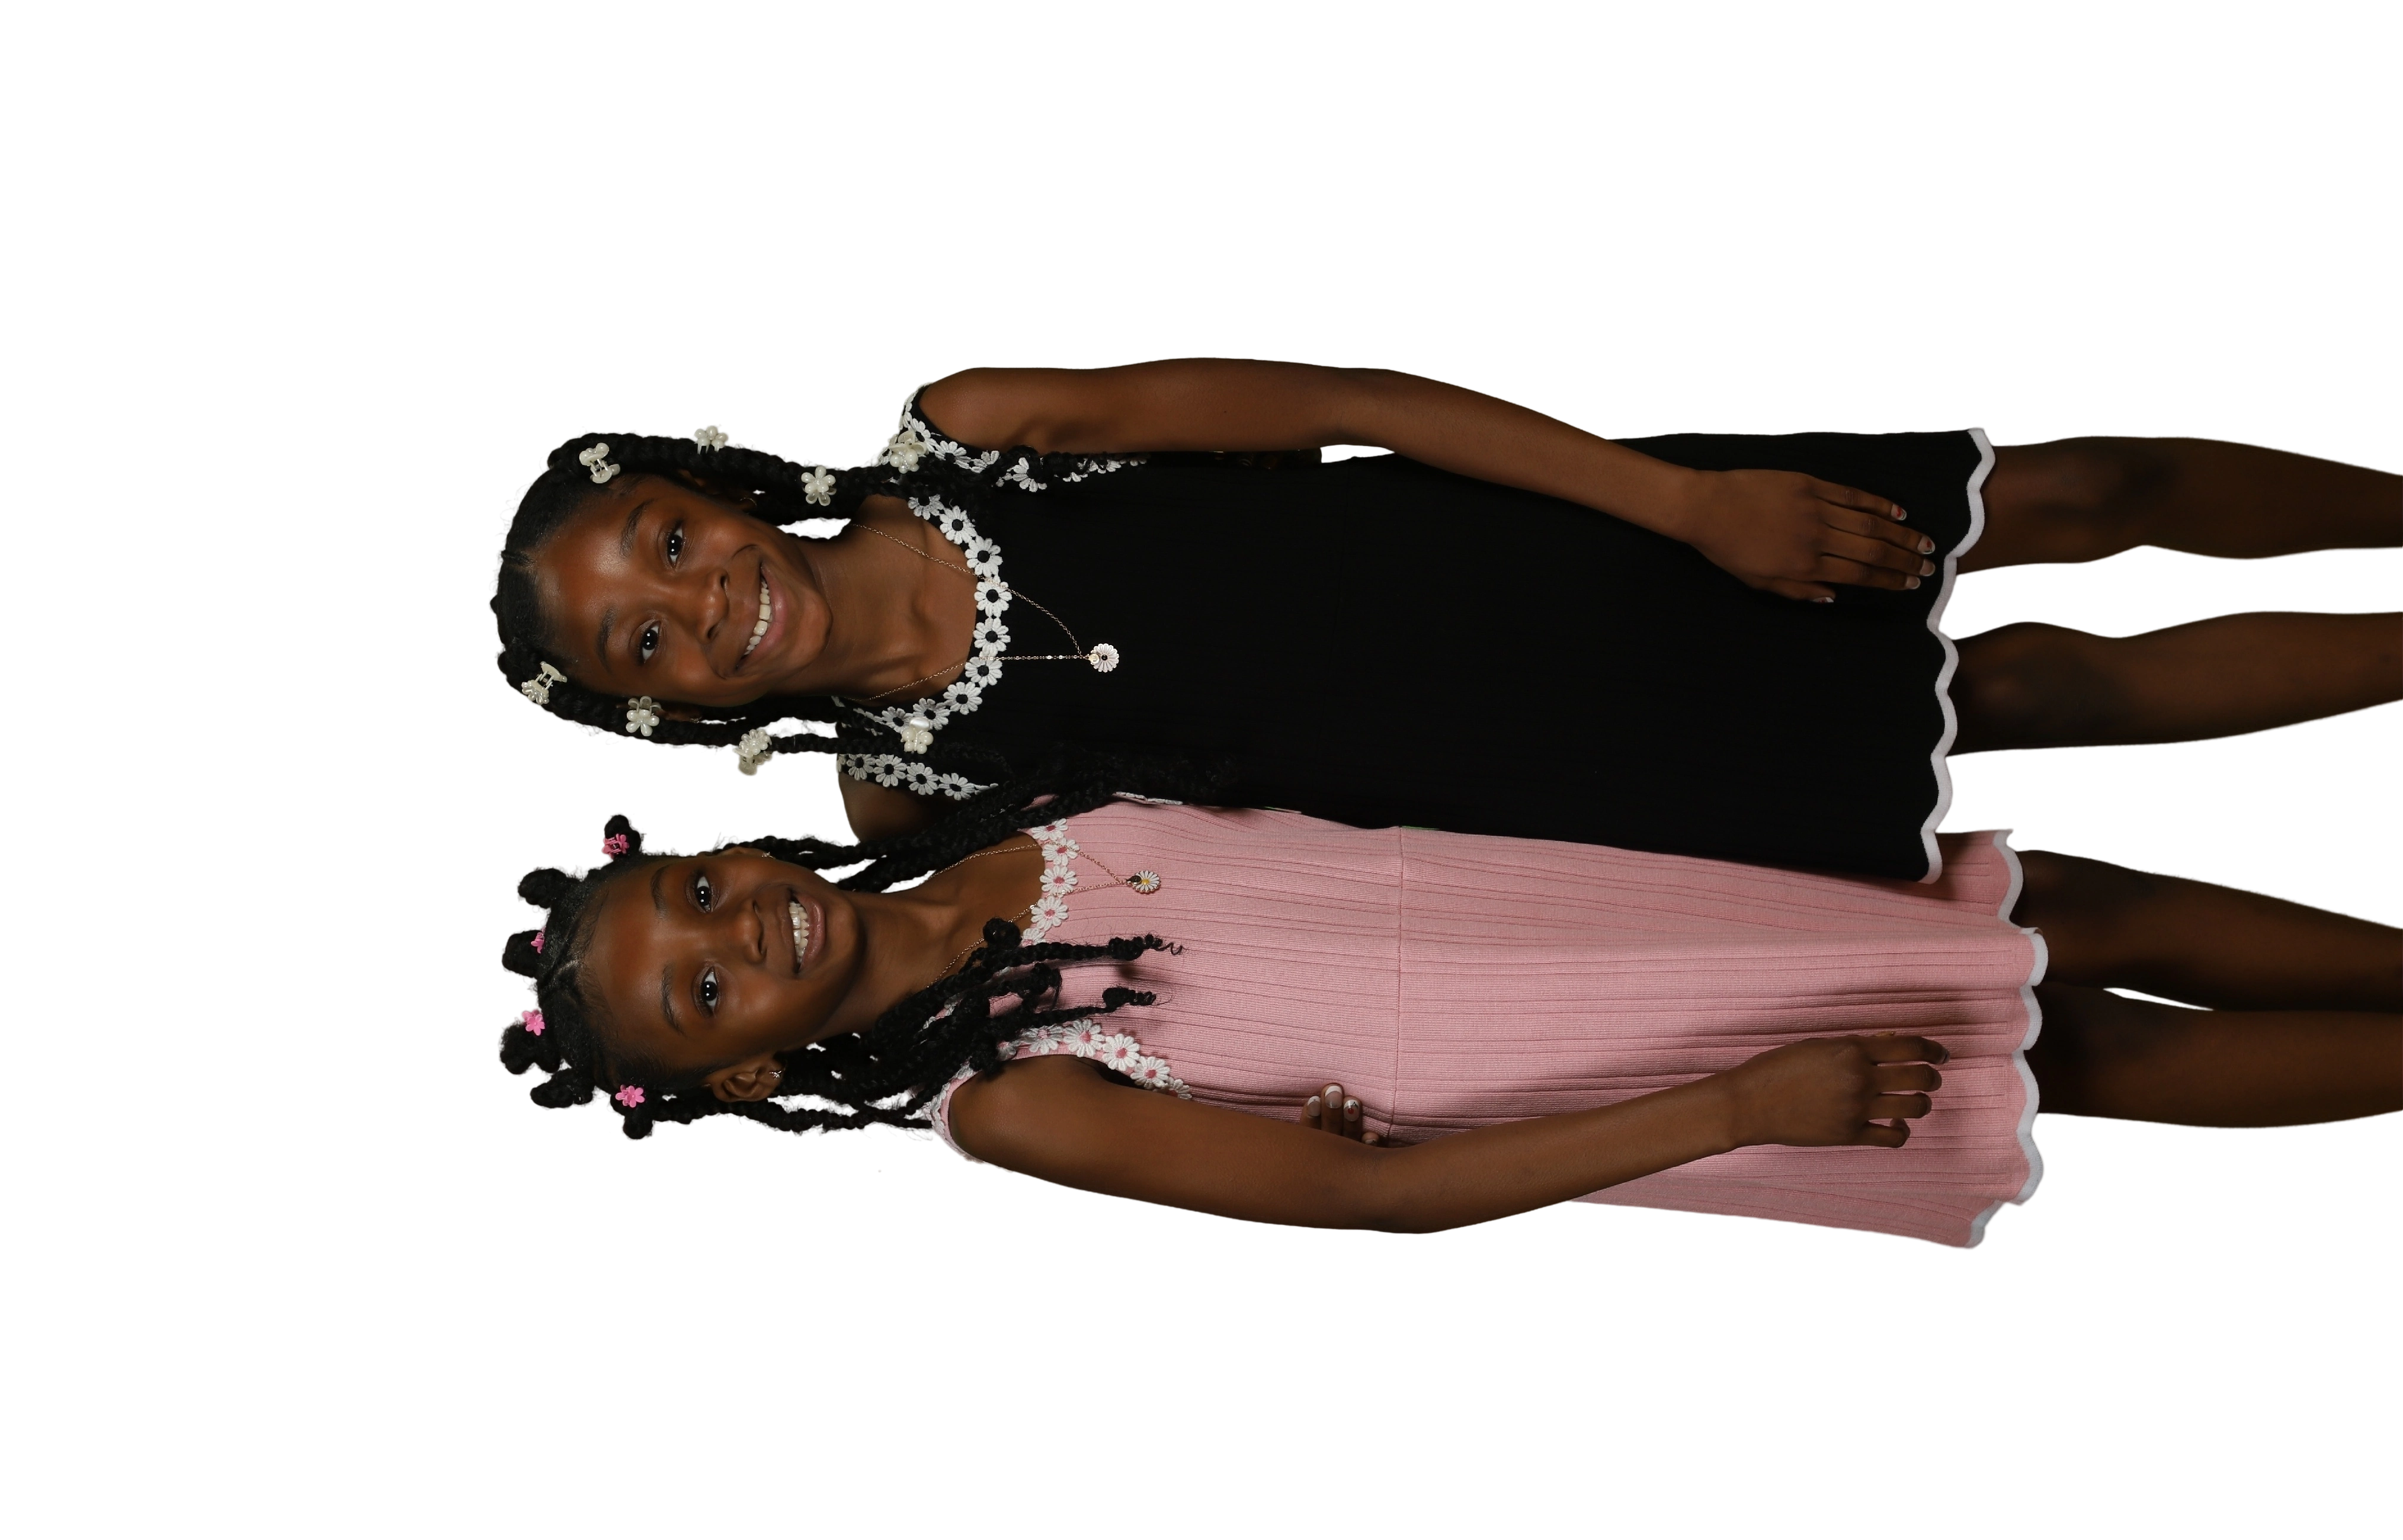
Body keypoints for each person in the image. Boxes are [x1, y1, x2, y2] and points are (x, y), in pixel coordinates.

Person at [487, 360, 2403, 881]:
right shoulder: (907, 799)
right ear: (663, 714)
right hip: (1559, 767)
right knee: (2043, 696)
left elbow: (1351, 407)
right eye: (641, 641)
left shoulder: (980, 433)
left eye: (661, 541)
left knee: (2080, 497)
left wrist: (1684, 501)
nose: (694, 599)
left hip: (1585, 540)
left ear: (706, 484)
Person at [491, 772, 2402, 1250]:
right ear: (750, 1066)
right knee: (2104, 1046)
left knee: (2060, 911)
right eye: (704, 992)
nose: (742, 931)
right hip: (1599, 1053)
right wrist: (1738, 1103)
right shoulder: (1005, 1099)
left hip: (1581, 890)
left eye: (695, 895)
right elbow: (1359, 1197)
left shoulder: (942, 824)